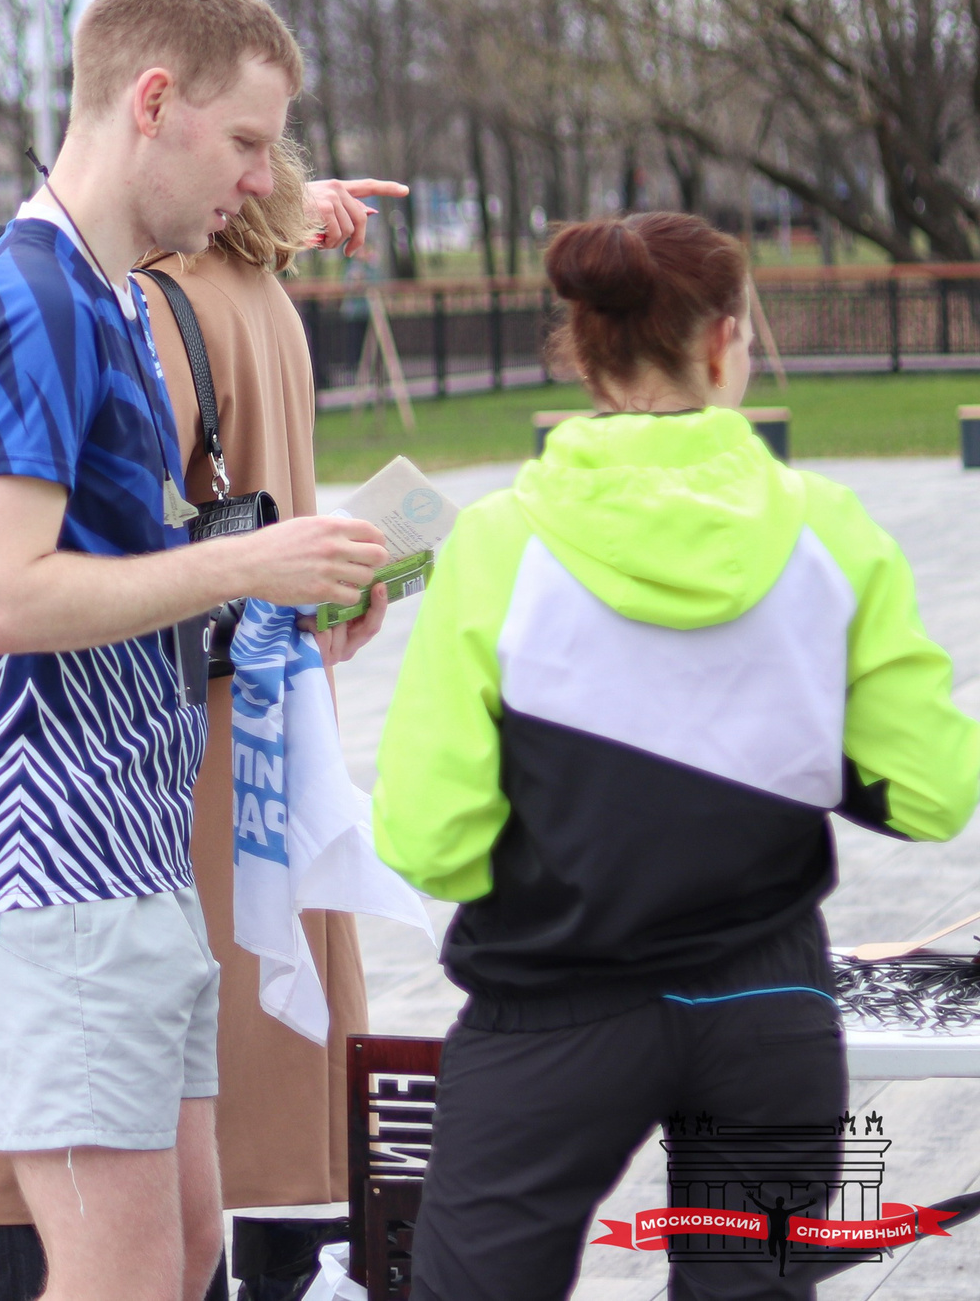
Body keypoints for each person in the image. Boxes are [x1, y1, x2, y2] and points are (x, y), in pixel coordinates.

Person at [375, 211, 979, 1301]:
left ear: (582, 349)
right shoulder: (833, 528)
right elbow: (930, 796)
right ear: (724, 340)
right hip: (762, 1006)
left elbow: (427, 837)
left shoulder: (499, 541)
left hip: (549, 1008)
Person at [0, 0, 391, 1301]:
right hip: (45, 862)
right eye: (246, 140)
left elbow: (118, 578)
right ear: (154, 100)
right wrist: (251, 555)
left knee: (181, 1256)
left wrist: (276, 596)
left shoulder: (103, 293)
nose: (262, 178)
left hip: (124, 858)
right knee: (125, 1271)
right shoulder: (36, 299)